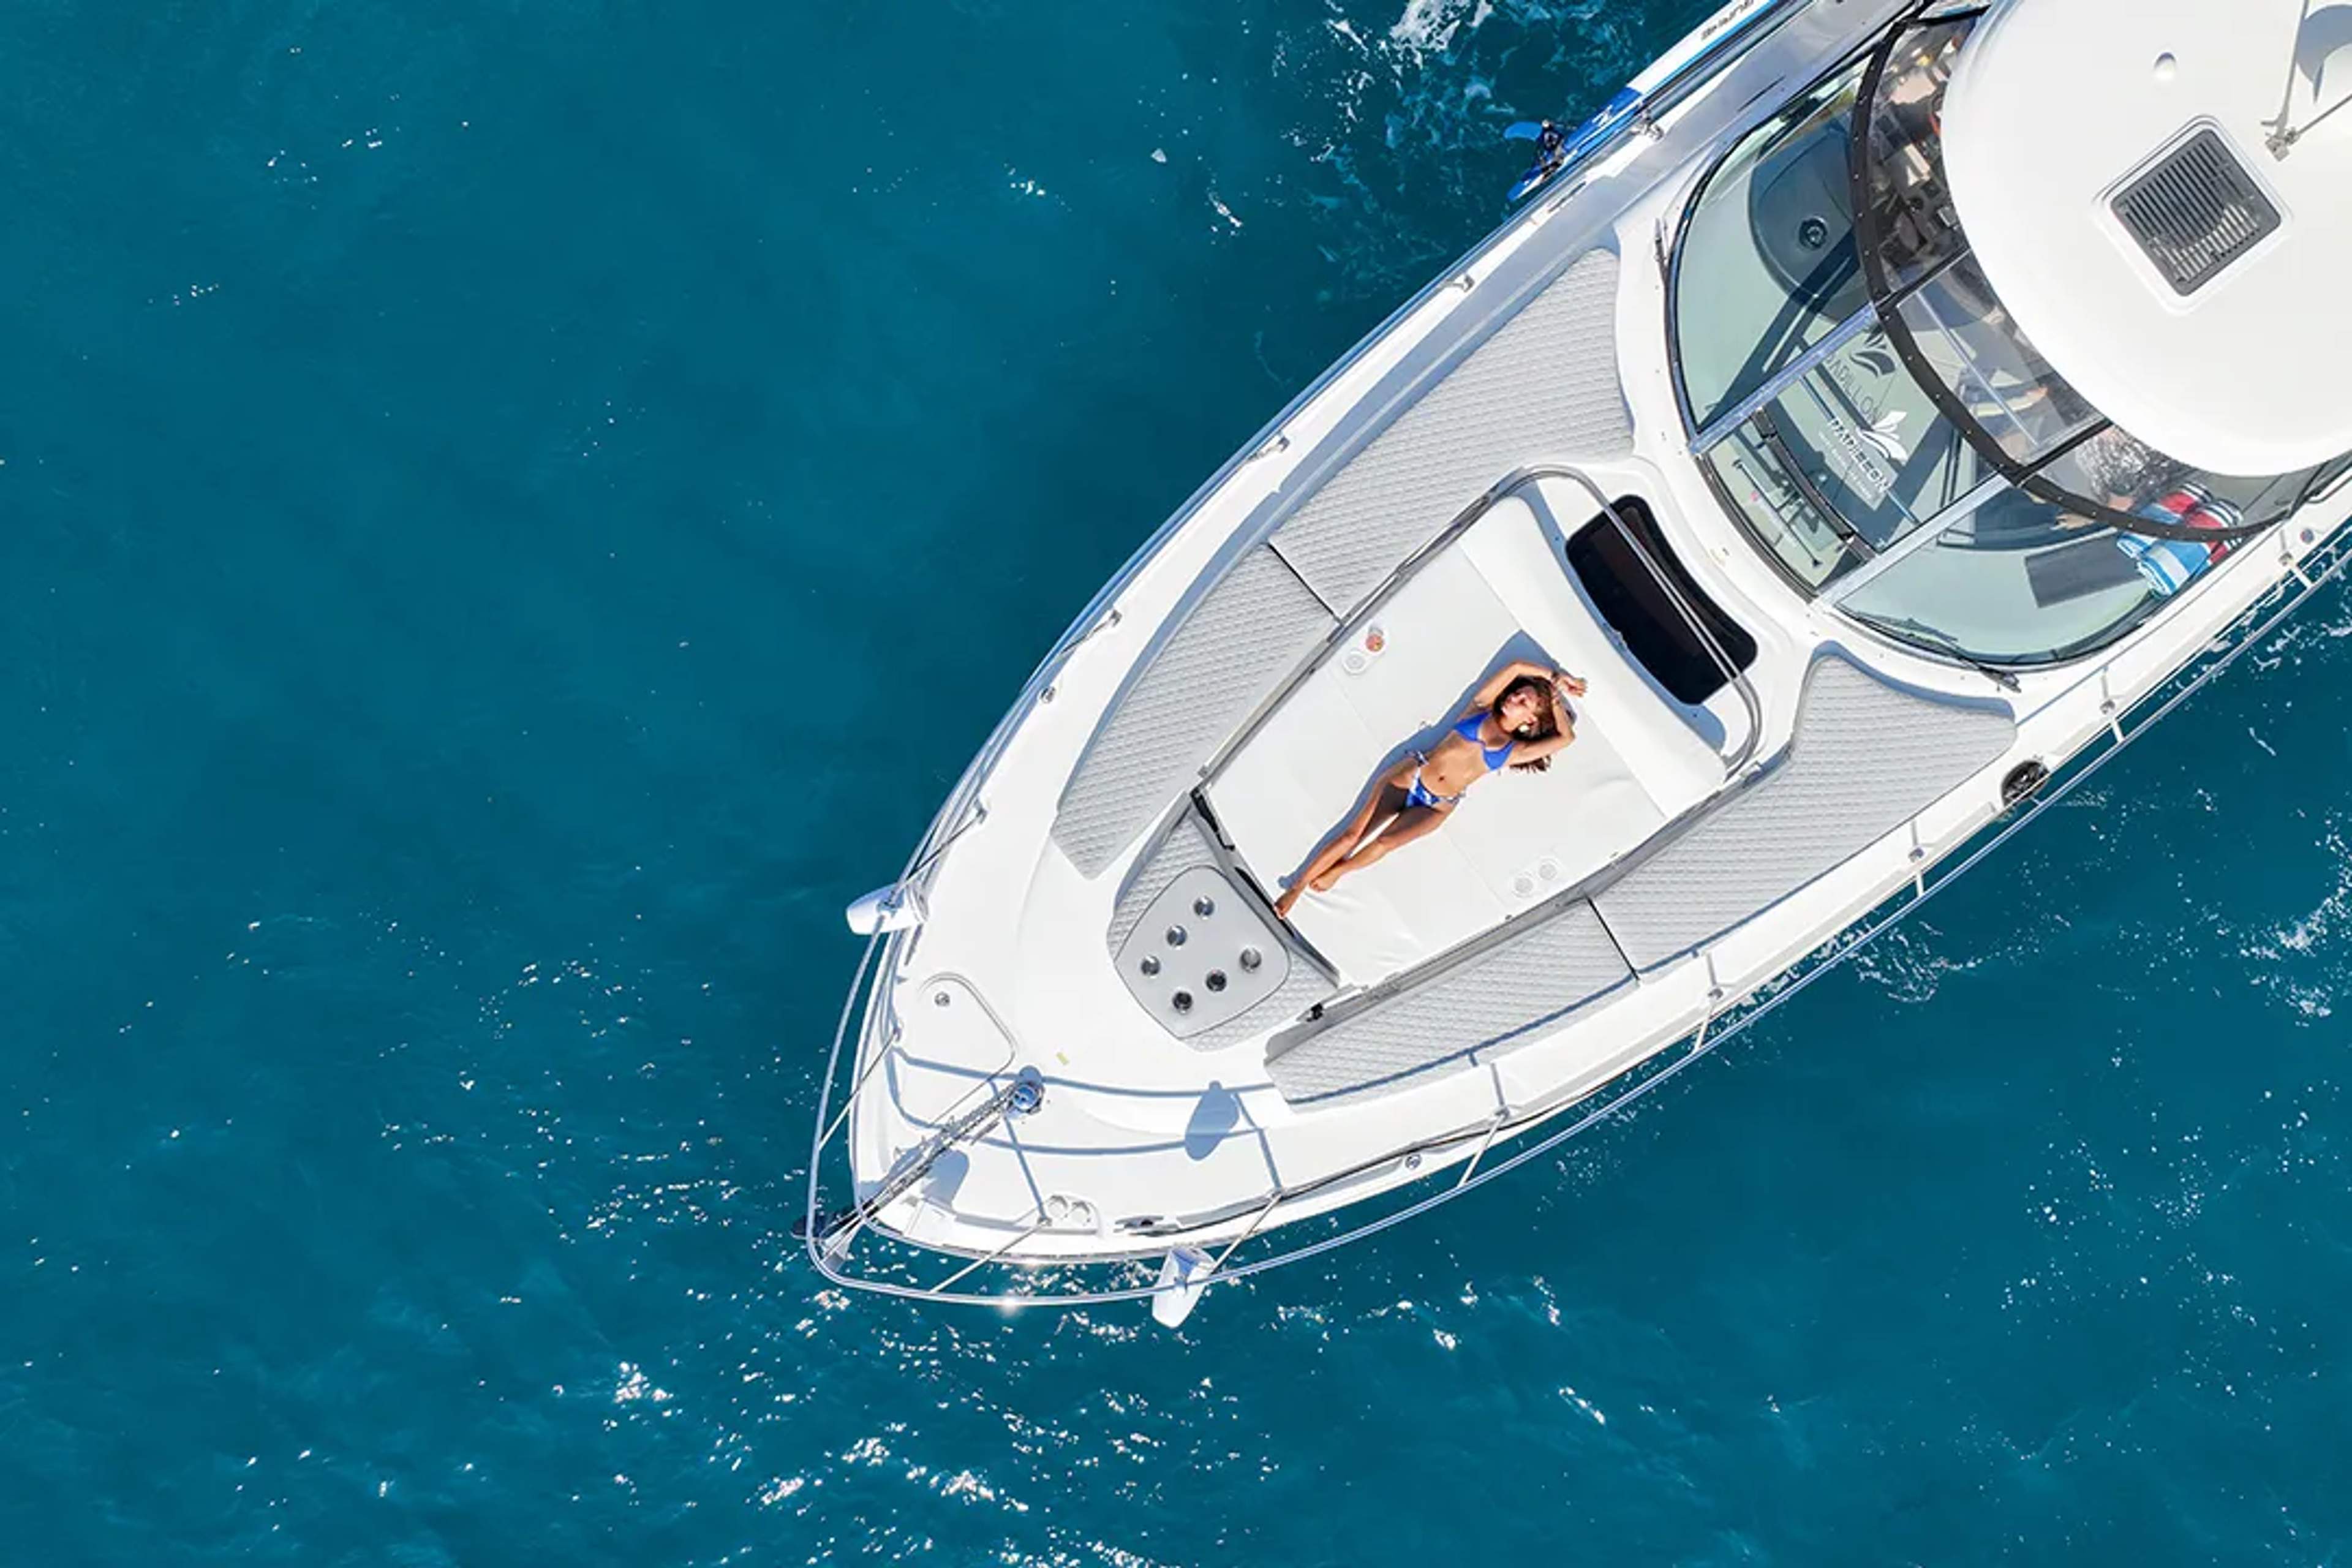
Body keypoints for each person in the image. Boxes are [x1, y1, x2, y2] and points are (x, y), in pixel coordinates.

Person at [1273, 661, 1586, 918]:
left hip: (1438, 805)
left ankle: (1340, 871)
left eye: (1523, 702)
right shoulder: (1479, 710)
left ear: (1530, 721)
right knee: (1352, 835)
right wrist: (1555, 678)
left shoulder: (1513, 751)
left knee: (1384, 843)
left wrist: (1556, 700)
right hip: (1413, 775)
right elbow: (1516, 667)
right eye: (1517, 693)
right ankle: (1297, 889)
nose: (1513, 697)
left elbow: (1566, 739)